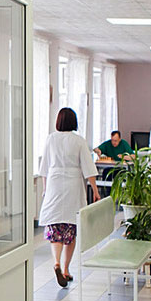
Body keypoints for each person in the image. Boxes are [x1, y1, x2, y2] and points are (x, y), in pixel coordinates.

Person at [38, 108, 101, 288]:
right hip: (73, 185)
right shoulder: (79, 141)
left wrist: (45, 189)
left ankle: (56, 262)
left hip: (54, 183)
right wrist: (95, 190)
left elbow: (44, 167)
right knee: (70, 227)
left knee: (55, 227)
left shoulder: (51, 139)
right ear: (74, 122)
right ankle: (66, 269)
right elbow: (88, 167)